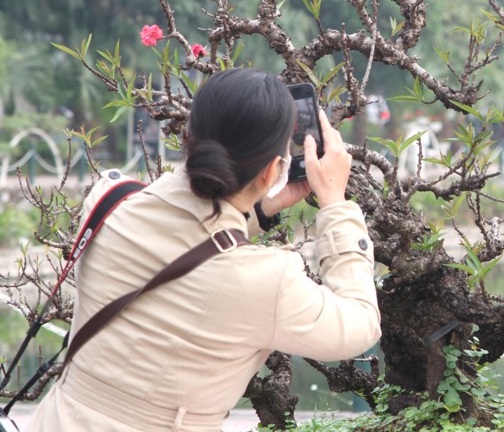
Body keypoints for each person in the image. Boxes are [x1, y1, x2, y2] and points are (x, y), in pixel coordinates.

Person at [29, 68, 380, 432]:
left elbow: (186, 236)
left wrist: (260, 207)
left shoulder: (109, 203)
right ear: (274, 168)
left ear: (188, 135)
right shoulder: (267, 279)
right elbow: (359, 326)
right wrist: (336, 205)